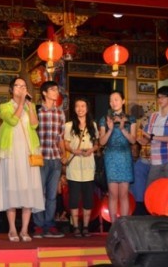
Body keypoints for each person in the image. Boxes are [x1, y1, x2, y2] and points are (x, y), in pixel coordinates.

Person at [0, 77, 44, 242]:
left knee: (28, 189)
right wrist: (22, 103)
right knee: (12, 189)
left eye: (24, 86)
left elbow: (35, 125)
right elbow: (13, 121)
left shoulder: (30, 106)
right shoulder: (5, 106)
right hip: (12, 153)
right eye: (17, 86)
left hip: (28, 152)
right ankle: (12, 229)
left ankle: (24, 230)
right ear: (11, 89)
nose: (21, 88)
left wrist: (30, 107)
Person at [33, 80, 66, 238]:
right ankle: (38, 226)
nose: (56, 92)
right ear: (45, 93)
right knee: (39, 193)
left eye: (56, 89)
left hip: (55, 158)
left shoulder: (60, 113)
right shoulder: (37, 111)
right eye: (52, 90)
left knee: (52, 195)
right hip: (40, 157)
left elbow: (60, 137)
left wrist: (63, 155)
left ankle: (50, 224)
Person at [98, 90, 136, 223]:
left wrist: (122, 128)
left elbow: (132, 140)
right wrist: (109, 129)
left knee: (124, 194)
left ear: (123, 101)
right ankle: (114, 225)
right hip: (111, 156)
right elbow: (102, 142)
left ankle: (124, 223)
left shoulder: (130, 119)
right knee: (113, 194)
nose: (113, 102)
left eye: (116, 99)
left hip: (125, 156)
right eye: (111, 100)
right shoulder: (105, 119)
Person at [64, 97, 99, 237]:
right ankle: (75, 227)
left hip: (88, 165)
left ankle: (85, 226)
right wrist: (73, 151)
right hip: (74, 165)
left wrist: (92, 150)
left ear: (87, 108)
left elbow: (97, 143)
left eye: (83, 106)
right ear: (74, 108)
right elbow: (65, 143)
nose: (80, 109)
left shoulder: (93, 125)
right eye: (77, 106)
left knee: (88, 198)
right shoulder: (68, 125)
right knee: (73, 198)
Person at [137, 86, 168, 187]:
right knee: (152, 190)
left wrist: (152, 137)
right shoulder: (153, 116)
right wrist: (143, 140)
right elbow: (148, 137)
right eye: (158, 97)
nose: (159, 100)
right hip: (155, 159)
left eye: (162, 97)